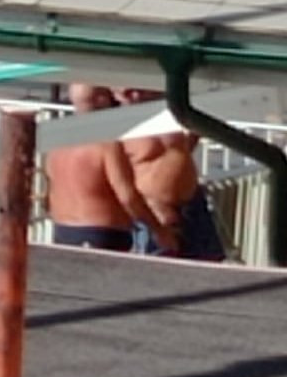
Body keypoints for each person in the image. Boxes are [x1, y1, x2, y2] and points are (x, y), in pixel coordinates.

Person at [119, 88, 227, 260]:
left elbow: (189, 141)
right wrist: (151, 213)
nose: (136, 94)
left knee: (208, 267)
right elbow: (120, 183)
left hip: (192, 205)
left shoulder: (170, 115)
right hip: (153, 212)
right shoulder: (116, 129)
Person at [47, 84, 152, 252]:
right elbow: (126, 195)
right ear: (103, 100)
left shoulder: (58, 140)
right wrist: (157, 228)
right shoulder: (106, 141)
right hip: (101, 233)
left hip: (62, 230)